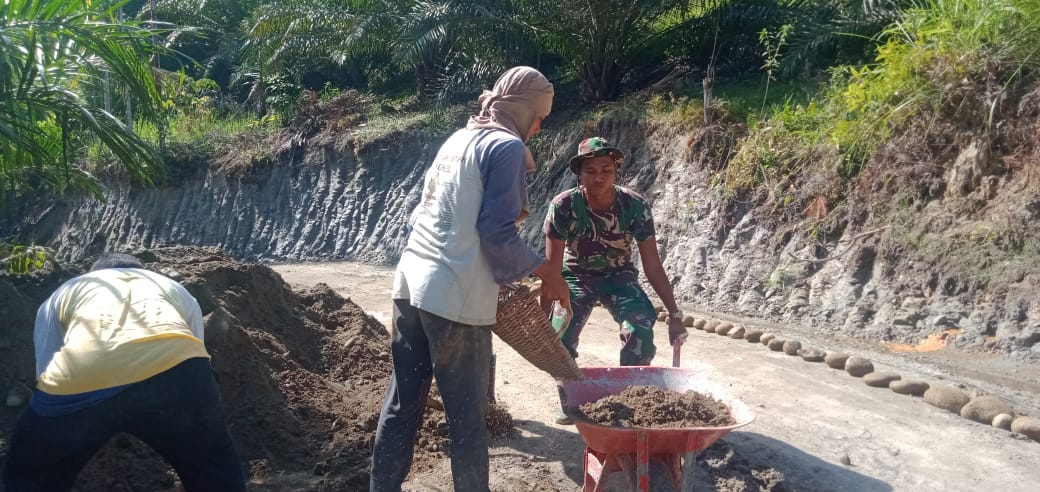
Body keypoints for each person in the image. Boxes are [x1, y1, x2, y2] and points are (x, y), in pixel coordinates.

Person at [370, 66, 571, 492]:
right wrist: (548, 273)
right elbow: (496, 235)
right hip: (454, 301)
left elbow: (437, 217)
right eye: (541, 117)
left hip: (409, 287)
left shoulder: (459, 138)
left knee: (402, 406)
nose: (538, 127)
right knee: (466, 419)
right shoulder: (506, 148)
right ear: (526, 111)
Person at [2, 253, 246, 492]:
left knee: (31, 471)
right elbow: (195, 348)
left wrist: (63, 422)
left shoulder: (66, 290)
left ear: (94, 273)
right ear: (141, 270)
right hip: (178, 372)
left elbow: (47, 363)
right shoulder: (169, 286)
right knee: (214, 471)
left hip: (84, 376)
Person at [544, 137, 688, 423]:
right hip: (577, 275)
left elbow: (652, 264)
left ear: (616, 171)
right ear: (579, 173)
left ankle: (631, 399)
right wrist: (546, 319)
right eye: (590, 171)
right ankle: (569, 397)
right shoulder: (563, 206)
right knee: (562, 331)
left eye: (606, 170)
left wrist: (674, 314)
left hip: (619, 276)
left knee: (640, 327)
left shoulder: (634, 206)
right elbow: (552, 268)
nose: (598, 177)